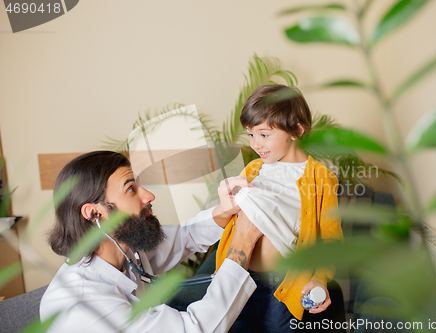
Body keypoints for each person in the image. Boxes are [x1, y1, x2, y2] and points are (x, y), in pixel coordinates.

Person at [40, 150, 263, 333]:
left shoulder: (123, 250)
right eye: (130, 189)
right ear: (95, 214)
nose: (148, 196)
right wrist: (242, 242)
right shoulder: (85, 303)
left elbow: (186, 237)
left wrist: (225, 211)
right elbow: (193, 330)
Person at [214, 84, 344, 332]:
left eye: (264, 134)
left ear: (295, 130)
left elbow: (330, 239)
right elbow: (227, 223)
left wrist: (320, 277)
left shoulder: (319, 177)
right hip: (238, 278)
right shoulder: (252, 170)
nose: (255, 144)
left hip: (284, 286)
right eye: (250, 134)